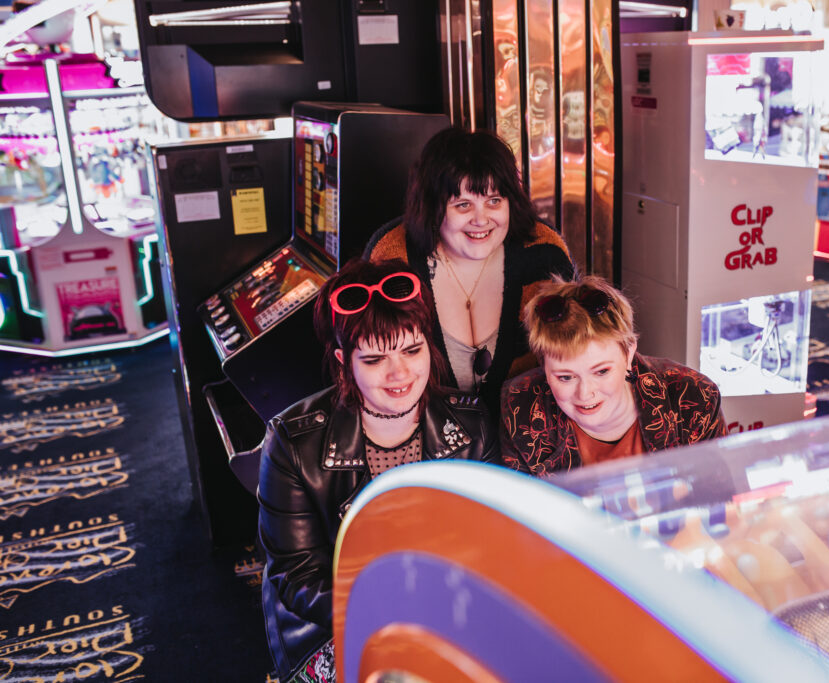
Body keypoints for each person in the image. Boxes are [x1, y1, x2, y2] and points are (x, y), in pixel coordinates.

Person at [257, 259, 499, 681]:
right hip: (337, 622)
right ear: (342, 360)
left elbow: (492, 546)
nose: (400, 373)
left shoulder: (472, 424)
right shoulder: (294, 441)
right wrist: (391, 617)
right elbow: (297, 576)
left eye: (412, 349)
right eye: (374, 360)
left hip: (449, 613)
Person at [364, 126, 575, 415]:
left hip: (528, 439)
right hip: (429, 440)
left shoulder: (543, 252)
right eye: (463, 205)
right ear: (432, 208)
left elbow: (574, 352)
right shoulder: (393, 258)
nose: (481, 219)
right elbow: (368, 364)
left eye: (494, 201)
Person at [501, 275, 726, 476]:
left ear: (628, 354)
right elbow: (517, 515)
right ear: (544, 367)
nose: (585, 393)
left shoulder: (694, 398)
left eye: (601, 371)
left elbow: (720, 504)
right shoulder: (520, 408)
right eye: (565, 377)